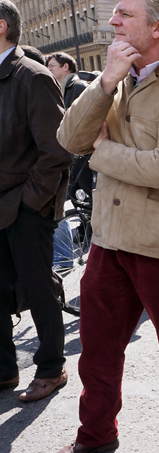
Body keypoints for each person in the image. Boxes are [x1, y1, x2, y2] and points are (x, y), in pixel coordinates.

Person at [46, 0, 159, 453]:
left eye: (124, 14)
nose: (112, 21)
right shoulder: (113, 79)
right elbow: (69, 138)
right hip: (109, 238)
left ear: (158, 28)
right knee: (96, 348)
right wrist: (103, 83)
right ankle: (95, 434)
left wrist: (102, 148)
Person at [0, 0, 73, 400]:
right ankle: (5, 370)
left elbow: (58, 150)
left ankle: (50, 367)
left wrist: (32, 202)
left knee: (38, 287)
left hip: (25, 206)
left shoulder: (32, 76)